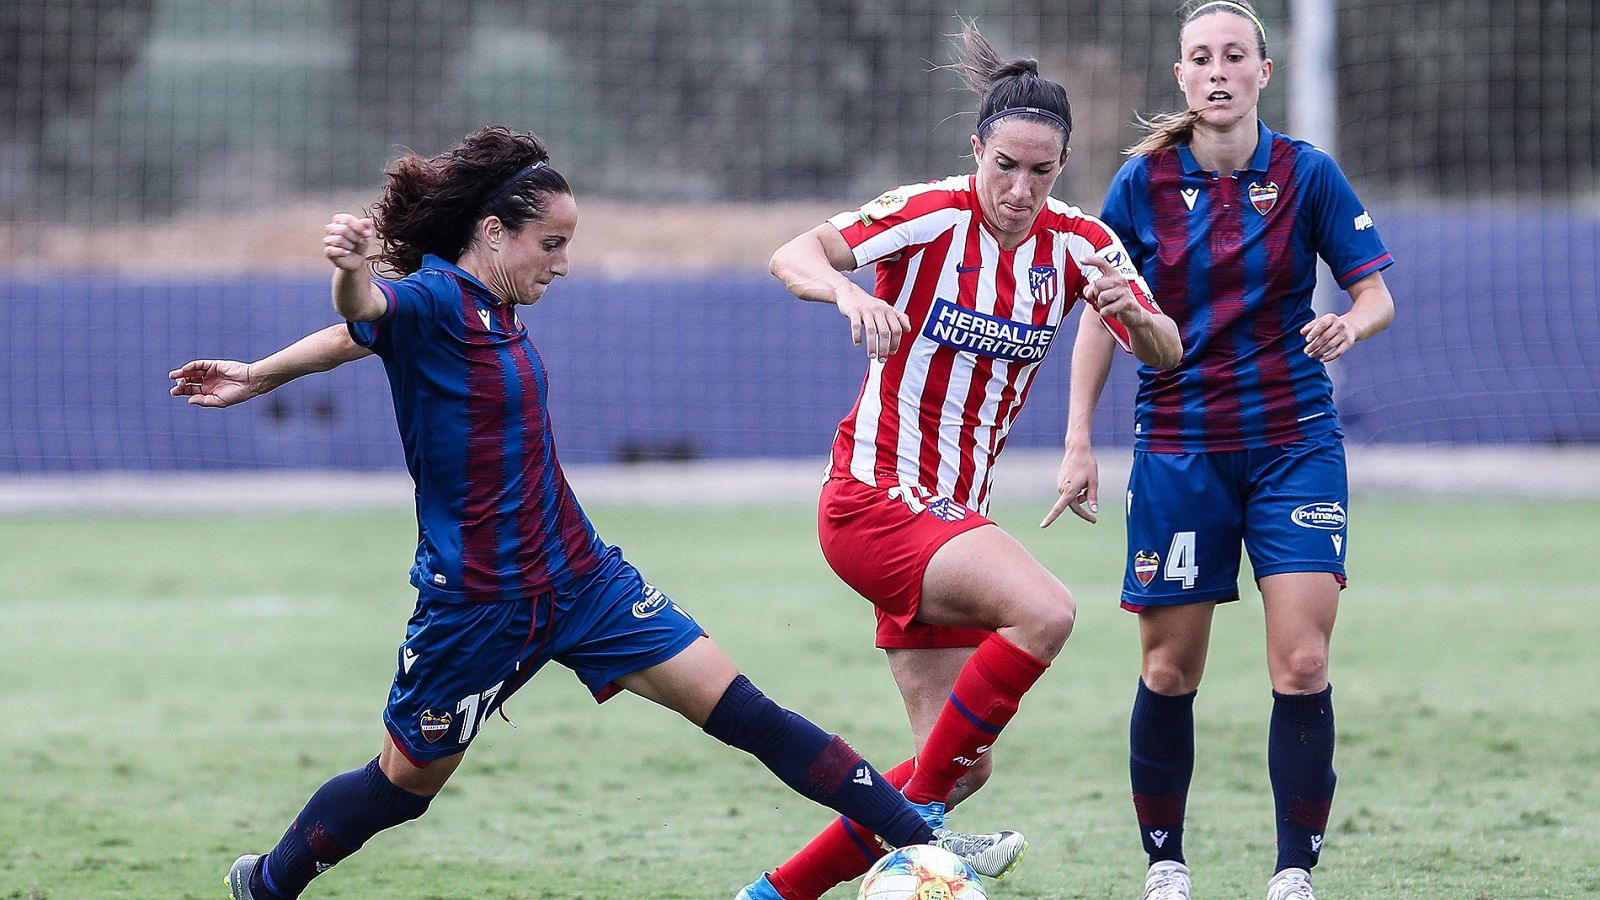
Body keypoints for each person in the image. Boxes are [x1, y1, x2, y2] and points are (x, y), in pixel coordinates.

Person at [168, 125, 1025, 900]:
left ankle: (924, 840)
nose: (564, 263)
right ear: (493, 232)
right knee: (402, 786)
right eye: (552, 243)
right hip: (477, 604)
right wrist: (349, 274)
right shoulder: (430, 299)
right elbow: (363, 314)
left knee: (748, 713)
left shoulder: (492, 303)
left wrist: (261, 372)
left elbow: (354, 339)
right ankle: (269, 883)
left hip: (583, 579)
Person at [737, 24, 1182, 900]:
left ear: (1062, 166)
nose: (1019, 189)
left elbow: (1167, 350)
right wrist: (848, 293)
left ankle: (773, 894)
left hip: (947, 520)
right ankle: (924, 825)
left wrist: (1132, 312)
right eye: (1004, 166)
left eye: (1040, 171)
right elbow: (792, 255)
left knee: (962, 764)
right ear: (976, 151)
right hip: (872, 498)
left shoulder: (1081, 243)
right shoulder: (929, 211)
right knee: (1046, 611)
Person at [1044, 3, 1397, 899]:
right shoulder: (1142, 184)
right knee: (1169, 669)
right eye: (1200, 57)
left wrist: (1350, 326)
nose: (1217, 71)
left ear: (1262, 73)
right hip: (1180, 449)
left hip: (1294, 444)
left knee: (1303, 663)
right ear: (1182, 76)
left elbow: (1375, 296)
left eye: (1233, 55)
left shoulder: (1308, 174)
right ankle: (1166, 864)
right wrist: (1078, 441)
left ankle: (1293, 874)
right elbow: (1101, 314)